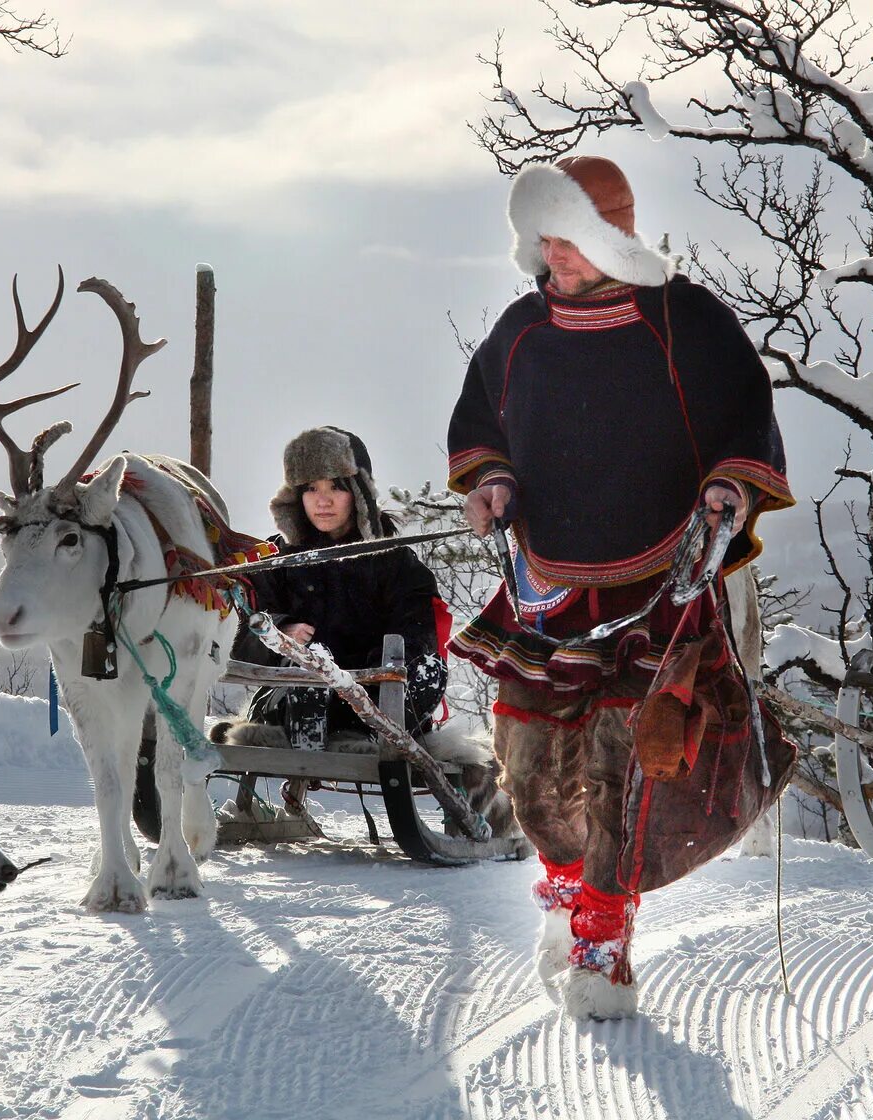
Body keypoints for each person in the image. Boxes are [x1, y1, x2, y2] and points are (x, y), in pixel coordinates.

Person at [447, 155, 794, 1020]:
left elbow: (745, 416)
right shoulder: (521, 328)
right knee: (529, 766)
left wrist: (728, 484)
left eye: (564, 238)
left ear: (608, 235)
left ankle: (606, 938)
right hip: (549, 584)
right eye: (543, 240)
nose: (549, 254)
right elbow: (482, 420)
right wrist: (489, 482)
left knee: (625, 764)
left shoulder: (684, 319)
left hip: (658, 581)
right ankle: (569, 890)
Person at [213, 426, 448, 752]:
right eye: (310, 488)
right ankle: (307, 739)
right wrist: (279, 630)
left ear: (358, 492)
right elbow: (237, 626)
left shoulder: (395, 560)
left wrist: (376, 671)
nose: (322, 501)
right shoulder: (274, 558)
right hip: (293, 700)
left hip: (378, 702)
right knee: (308, 673)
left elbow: (419, 629)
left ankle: (375, 735)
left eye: (336, 487)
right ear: (295, 496)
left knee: (428, 669)